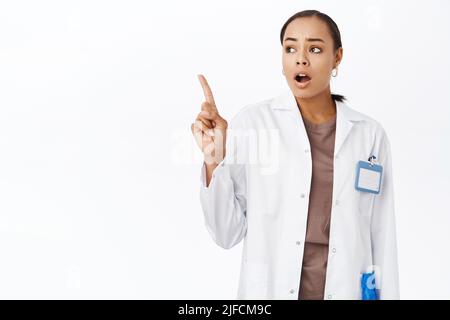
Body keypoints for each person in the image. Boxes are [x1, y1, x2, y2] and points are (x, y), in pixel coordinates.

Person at [191, 10, 399, 300]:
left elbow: (382, 235)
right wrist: (214, 159)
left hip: (347, 290)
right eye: (290, 48)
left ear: (337, 57)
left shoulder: (369, 135)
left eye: (315, 49)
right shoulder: (254, 123)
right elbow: (226, 233)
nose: (301, 58)